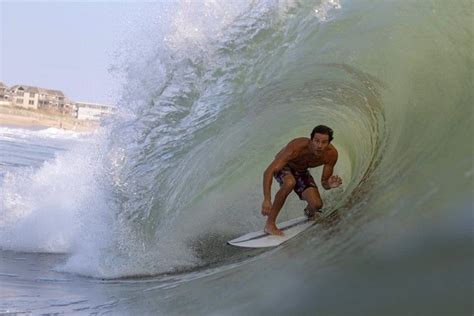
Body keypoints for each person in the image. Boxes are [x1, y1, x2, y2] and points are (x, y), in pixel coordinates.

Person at [261, 125, 343, 236]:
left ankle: (309, 214)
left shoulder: (331, 155)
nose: (319, 146)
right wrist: (267, 198)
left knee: (317, 205)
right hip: (284, 167)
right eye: (316, 141)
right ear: (311, 139)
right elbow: (268, 171)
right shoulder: (297, 147)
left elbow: (324, 183)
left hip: (301, 171)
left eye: (324, 142)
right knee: (290, 182)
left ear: (329, 143)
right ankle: (269, 224)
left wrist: (329, 184)